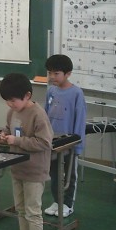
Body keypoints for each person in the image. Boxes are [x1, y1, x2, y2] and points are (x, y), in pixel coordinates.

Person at [0, 73, 53, 230]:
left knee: (33, 211)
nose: (10, 104)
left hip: (34, 171)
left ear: (27, 95)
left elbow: (45, 142)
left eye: (13, 100)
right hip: (17, 168)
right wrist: (4, 134)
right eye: (7, 100)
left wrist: (17, 140)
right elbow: (9, 128)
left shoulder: (38, 114)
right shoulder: (12, 112)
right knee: (21, 210)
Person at [43, 54, 87, 218]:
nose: (52, 77)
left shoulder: (76, 93)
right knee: (54, 174)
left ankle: (68, 204)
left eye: (56, 73)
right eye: (50, 73)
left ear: (68, 74)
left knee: (69, 175)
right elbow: (45, 116)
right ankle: (57, 201)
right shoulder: (51, 91)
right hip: (53, 142)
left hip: (69, 144)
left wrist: (77, 145)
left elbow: (80, 120)